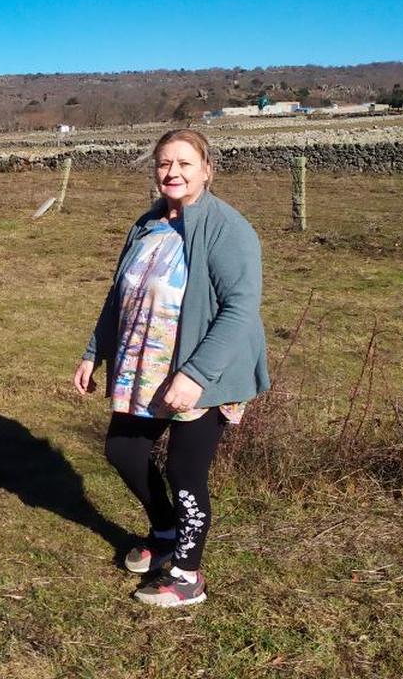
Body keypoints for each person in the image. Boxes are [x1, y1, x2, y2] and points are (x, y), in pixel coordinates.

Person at [73, 128, 269, 607]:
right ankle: (164, 531)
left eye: (184, 163)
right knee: (123, 451)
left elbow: (241, 308)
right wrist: (93, 350)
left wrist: (196, 375)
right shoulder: (147, 225)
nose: (173, 172)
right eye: (164, 163)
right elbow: (119, 295)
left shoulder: (227, 228)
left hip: (205, 371)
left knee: (185, 471)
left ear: (207, 169)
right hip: (146, 367)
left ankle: (187, 574)